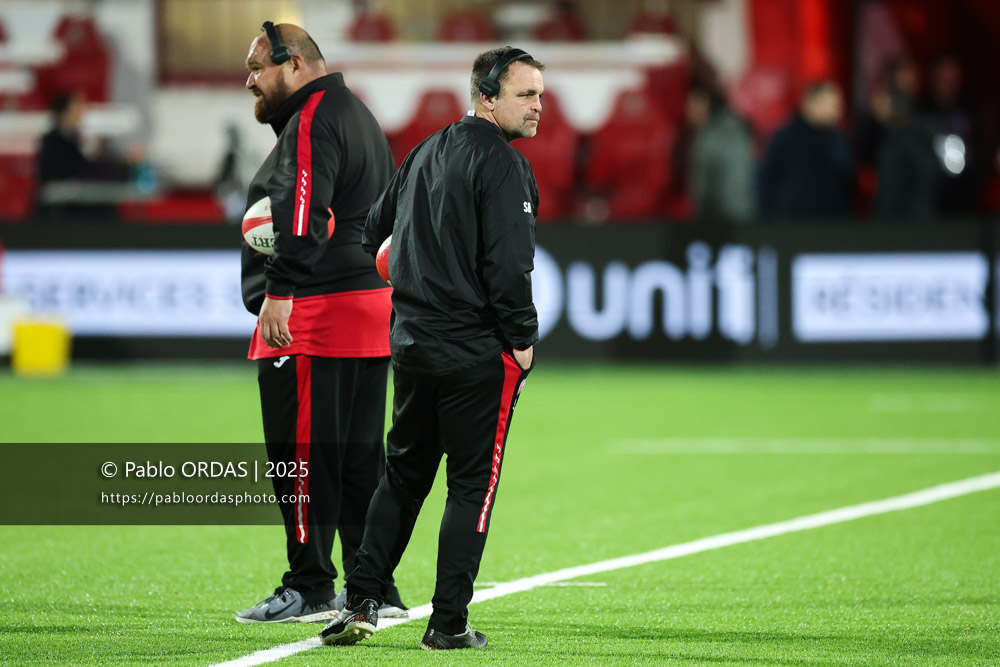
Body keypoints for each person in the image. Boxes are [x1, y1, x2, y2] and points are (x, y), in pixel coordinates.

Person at [319, 46, 542, 650]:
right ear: (487, 97)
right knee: (472, 486)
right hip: (475, 353)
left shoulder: (427, 149)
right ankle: (448, 624)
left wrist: (419, 276)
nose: (538, 106)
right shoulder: (503, 165)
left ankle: (361, 600)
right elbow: (509, 266)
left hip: (413, 344)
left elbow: (373, 235)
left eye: (540, 94)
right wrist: (521, 339)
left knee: (402, 478)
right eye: (525, 94)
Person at [235, 21, 406, 624]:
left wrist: (279, 292)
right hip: (368, 313)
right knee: (360, 459)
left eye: (259, 67)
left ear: (297, 64)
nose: (250, 80)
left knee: (302, 459)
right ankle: (372, 587)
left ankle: (309, 585)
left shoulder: (312, 118)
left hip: (312, 316)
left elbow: (305, 215)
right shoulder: (359, 116)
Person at [759, 81, 855, 222]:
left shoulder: (839, 140)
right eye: (830, 105)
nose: (837, 112)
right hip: (790, 224)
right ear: (809, 102)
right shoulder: (785, 137)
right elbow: (768, 180)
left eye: (838, 105)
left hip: (831, 225)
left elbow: (848, 181)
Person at [686, 82, 755, 223]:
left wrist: (704, 211)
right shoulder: (733, 128)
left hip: (722, 216)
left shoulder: (714, 136)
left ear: (706, 104)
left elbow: (709, 180)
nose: (688, 110)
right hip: (737, 212)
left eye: (693, 104)